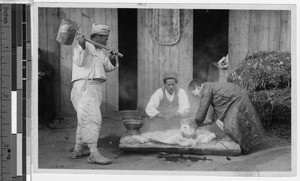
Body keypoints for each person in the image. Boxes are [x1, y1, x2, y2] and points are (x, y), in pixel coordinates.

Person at [70, 23, 119, 165]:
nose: (106, 41)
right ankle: (93, 153)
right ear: (97, 36)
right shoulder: (82, 46)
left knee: (84, 119)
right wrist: (82, 45)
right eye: (105, 38)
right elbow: (79, 61)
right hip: (84, 87)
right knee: (92, 120)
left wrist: (111, 57)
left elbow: (109, 68)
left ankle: (78, 149)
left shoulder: (99, 51)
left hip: (94, 88)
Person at [188, 79, 266, 154]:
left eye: (193, 93)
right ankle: (245, 143)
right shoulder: (208, 87)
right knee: (238, 123)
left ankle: (244, 146)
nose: (194, 96)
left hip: (237, 99)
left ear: (197, 87)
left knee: (231, 126)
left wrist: (196, 123)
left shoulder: (206, 89)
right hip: (236, 98)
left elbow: (203, 108)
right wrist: (208, 121)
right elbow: (211, 108)